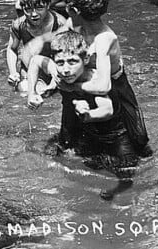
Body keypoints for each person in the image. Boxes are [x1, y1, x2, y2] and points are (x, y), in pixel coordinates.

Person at [26, 0, 152, 159]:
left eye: (67, 6)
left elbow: (103, 85)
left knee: (134, 145)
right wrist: (50, 77)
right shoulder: (73, 25)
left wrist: (68, 86)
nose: (64, 9)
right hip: (79, 84)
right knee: (68, 144)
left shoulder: (104, 39)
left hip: (113, 91)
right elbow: (58, 49)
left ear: (75, 10)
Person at [35, 30, 139, 200]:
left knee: (126, 173)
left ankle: (117, 192)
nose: (66, 69)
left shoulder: (94, 79)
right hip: (89, 131)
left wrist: (87, 114)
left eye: (72, 62)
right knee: (79, 160)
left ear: (85, 60)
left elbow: (107, 109)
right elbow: (36, 61)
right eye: (60, 63)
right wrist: (34, 92)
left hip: (115, 133)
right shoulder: (60, 72)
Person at [6, 0, 68, 92]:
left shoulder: (60, 24)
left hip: (53, 67)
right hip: (29, 67)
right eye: (28, 9)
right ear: (22, 8)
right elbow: (12, 49)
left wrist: (56, 80)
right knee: (23, 90)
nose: (34, 14)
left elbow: (66, 56)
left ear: (48, 5)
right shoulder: (19, 25)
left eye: (39, 8)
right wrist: (13, 73)